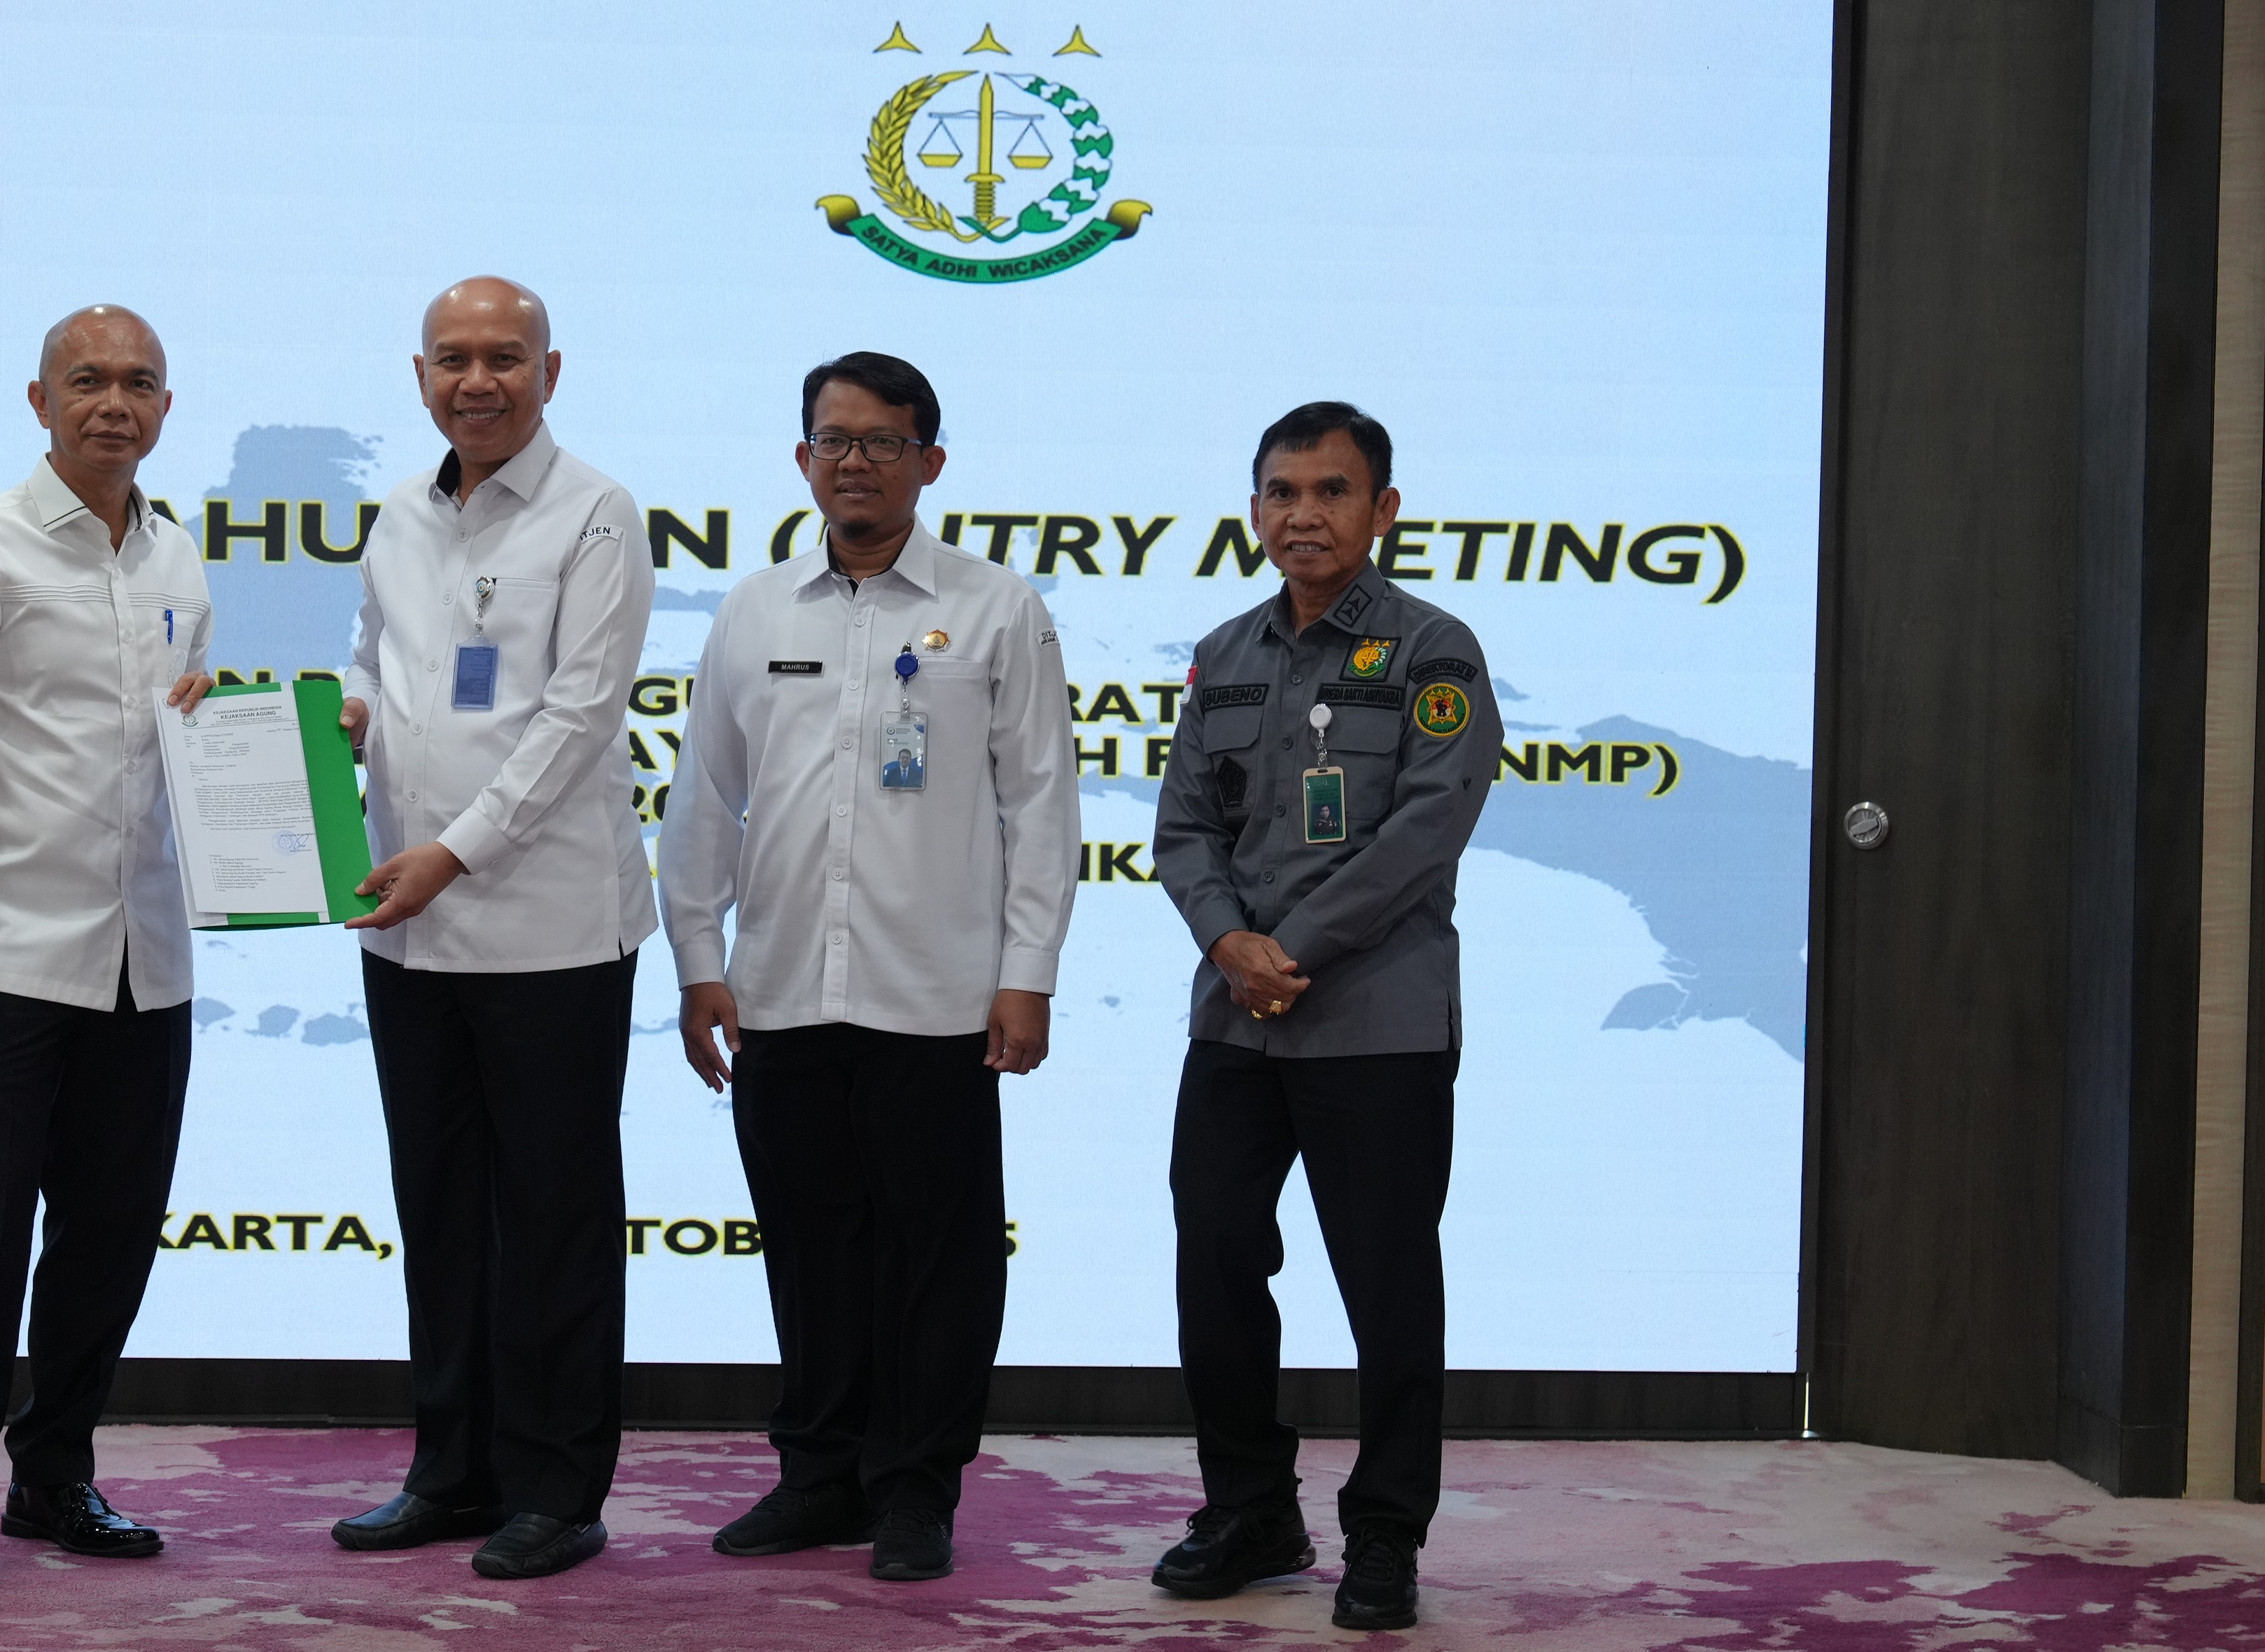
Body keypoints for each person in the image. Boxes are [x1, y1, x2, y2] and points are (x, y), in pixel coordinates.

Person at [657, 352, 1077, 1581]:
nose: (855, 461)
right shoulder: (754, 608)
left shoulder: (997, 607)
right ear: (802, 460)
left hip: (939, 994)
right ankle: (820, 1477)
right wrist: (697, 955)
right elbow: (704, 799)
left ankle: (915, 1491)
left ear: (929, 464)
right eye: (833, 440)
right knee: (809, 1247)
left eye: (883, 442)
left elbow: (1041, 802)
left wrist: (1029, 970)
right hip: (782, 987)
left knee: (937, 1262)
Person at [1145, 402, 1501, 1631]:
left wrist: (1291, 946)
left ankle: (1386, 1534)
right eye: (1282, 492)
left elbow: (1424, 834)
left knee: (1389, 1288)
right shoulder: (1225, 653)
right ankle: (1249, 1508)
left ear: (1383, 510)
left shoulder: (1432, 653)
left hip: (1377, 1026)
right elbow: (1184, 826)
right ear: (1255, 510)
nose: (1304, 514)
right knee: (1215, 1265)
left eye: (1333, 491)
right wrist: (1228, 942)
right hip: (1234, 1025)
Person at [328, 276, 653, 1581]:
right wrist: (340, 714)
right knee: (443, 1207)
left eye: (503, 359)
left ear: (550, 372)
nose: (478, 381)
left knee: (556, 1218)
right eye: (453, 360)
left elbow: (579, 722)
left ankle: (560, 1487)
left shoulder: (597, 515)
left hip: (548, 928)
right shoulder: (402, 515)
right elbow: (374, 658)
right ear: (420, 379)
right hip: (405, 932)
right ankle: (452, 1469)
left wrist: (454, 854)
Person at [0, 305, 216, 1590]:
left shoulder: (181, 559)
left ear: (165, 408)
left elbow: (186, 748)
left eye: (140, 382)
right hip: (14, 951)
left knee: (113, 1231)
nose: (113, 404)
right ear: (40, 400)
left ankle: (59, 1474)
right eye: (89, 381)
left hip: (152, 951)